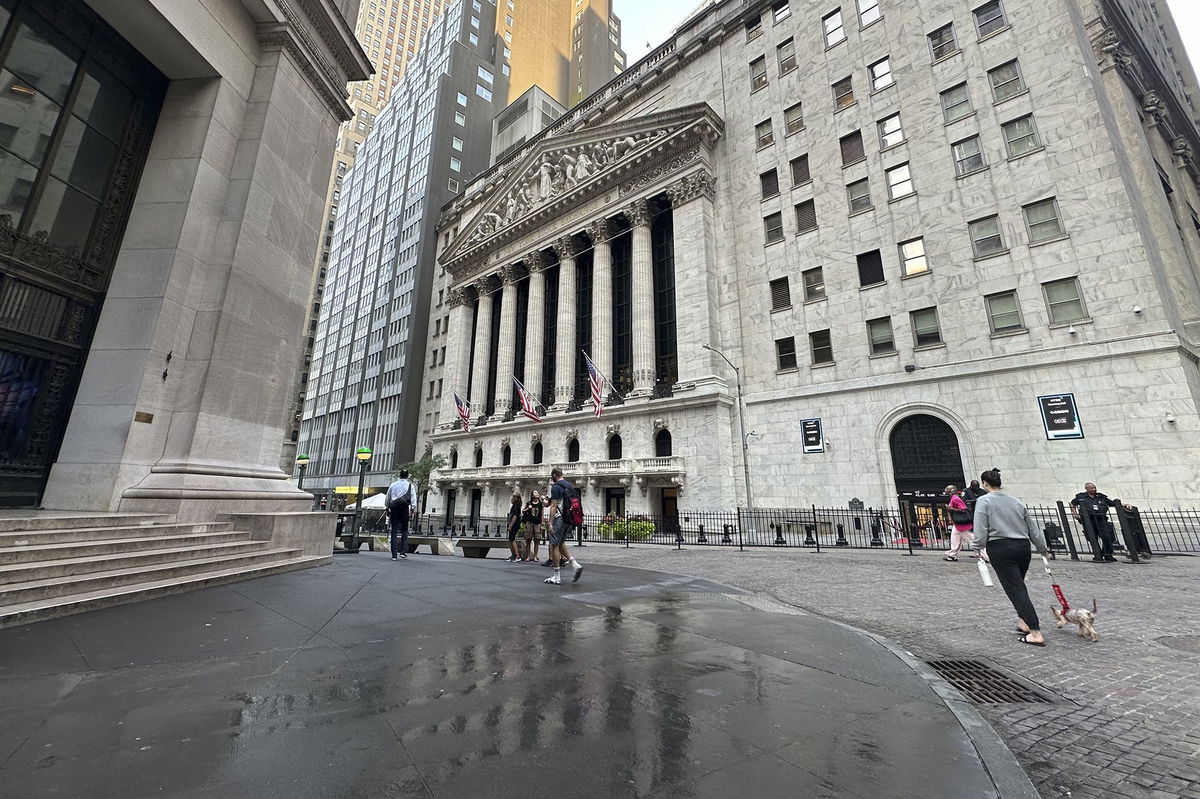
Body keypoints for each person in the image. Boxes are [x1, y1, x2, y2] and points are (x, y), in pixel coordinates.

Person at [974, 468, 1049, 646]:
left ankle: (1035, 631)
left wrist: (977, 547)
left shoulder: (983, 501)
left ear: (985, 484)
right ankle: (1023, 622)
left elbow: (980, 527)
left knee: (1016, 589)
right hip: (1023, 548)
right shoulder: (1016, 502)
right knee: (1018, 585)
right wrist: (1042, 548)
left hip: (1000, 548)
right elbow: (1032, 528)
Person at [1070, 482, 1131, 563]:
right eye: (1091, 488)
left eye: (1094, 487)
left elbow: (1112, 503)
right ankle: (1098, 555)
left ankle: (1107, 555)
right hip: (1088, 521)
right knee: (1092, 538)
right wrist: (1075, 513)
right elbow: (1072, 503)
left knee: (1108, 537)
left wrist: (1124, 505)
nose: (1094, 489)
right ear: (1087, 489)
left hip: (1101, 519)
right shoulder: (1081, 496)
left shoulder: (1101, 497)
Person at [545, 467, 583, 585]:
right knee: (561, 543)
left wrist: (550, 523)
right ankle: (575, 565)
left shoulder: (556, 486)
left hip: (559, 518)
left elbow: (554, 506)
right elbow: (552, 503)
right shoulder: (569, 485)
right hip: (569, 519)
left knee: (554, 545)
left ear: (555, 475)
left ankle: (557, 576)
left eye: (552, 476)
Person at [385, 470, 417, 560]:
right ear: (407, 476)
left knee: (394, 530)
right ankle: (402, 552)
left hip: (394, 509)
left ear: (400, 476)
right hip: (404, 509)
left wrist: (387, 508)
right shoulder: (410, 486)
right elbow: (413, 498)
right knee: (404, 530)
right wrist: (412, 510)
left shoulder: (393, 485)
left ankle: (394, 554)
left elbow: (388, 497)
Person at [943, 485, 976, 561]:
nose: (945, 491)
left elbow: (963, 509)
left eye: (947, 489)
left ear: (951, 491)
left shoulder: (955, 499)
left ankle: (985, 555)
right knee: (955, 539)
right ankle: (952, 555)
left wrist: (950, 508)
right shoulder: (954, 498)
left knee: (972, 539)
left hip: (961, 524)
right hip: (957, 524)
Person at [522, 491, 544, 562]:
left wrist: (542, 523)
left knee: (537, 540)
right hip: (529, 523)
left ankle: (535, 556)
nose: (537, 493)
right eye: (535, 492)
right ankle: (528, 556)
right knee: (528, 540)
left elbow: (542, 514)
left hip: (537, 524)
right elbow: (523, 511)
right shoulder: (529, 503)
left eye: (537, 492)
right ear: (532, 495)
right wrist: (528, 508)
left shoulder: (540, 504)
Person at [505, 493, 523, 562]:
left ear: (516, 498)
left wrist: (510, 525)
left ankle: (517, 555)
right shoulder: (516, 505)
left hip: (514, 525)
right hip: (514, 524)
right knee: (510, 539)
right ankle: (513, 555)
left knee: (512, 539)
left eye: (513, 497)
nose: (511, 498)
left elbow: (515, 516)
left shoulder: (515, 505)